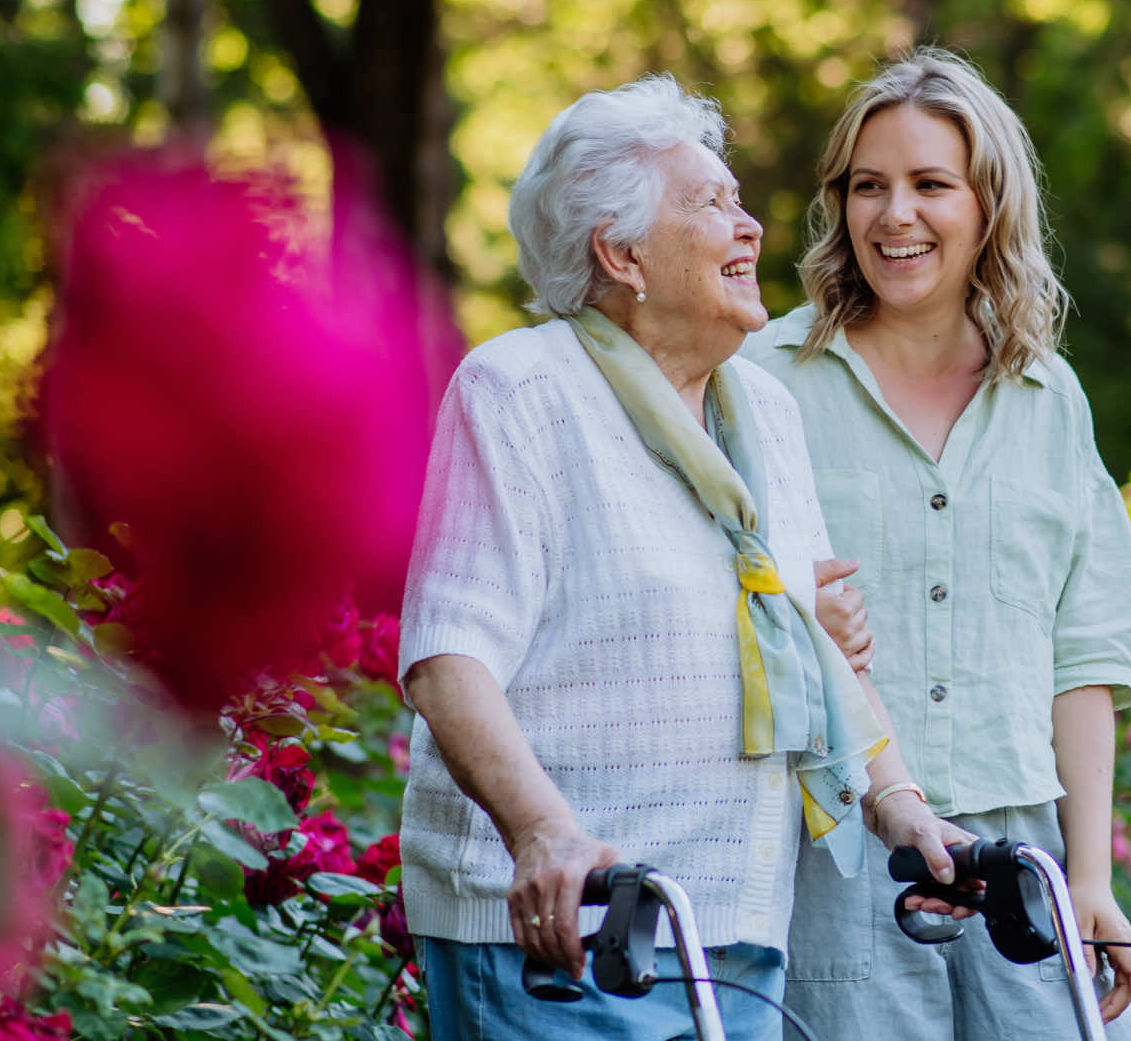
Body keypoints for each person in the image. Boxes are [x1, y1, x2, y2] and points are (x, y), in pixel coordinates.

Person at [397, 74, 971, 1041]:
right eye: (712, 204)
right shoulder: (523, 391)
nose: (750, 228)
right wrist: (544, 832)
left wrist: (903, 806)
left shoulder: (763, 412)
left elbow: (809, 646)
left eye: (739, 200)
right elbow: (448, 656)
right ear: (622, 253)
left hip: (733, 929)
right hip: (566, 934)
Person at [741, 47, 1131, 1040]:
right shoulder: (761, 382)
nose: (895, 216)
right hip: (839, 854)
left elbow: (1083, 657)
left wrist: (1088, 880)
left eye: (931, 185)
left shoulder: (1050, 399)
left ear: (989, 206)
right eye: (868, 186)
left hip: (1022, 860)